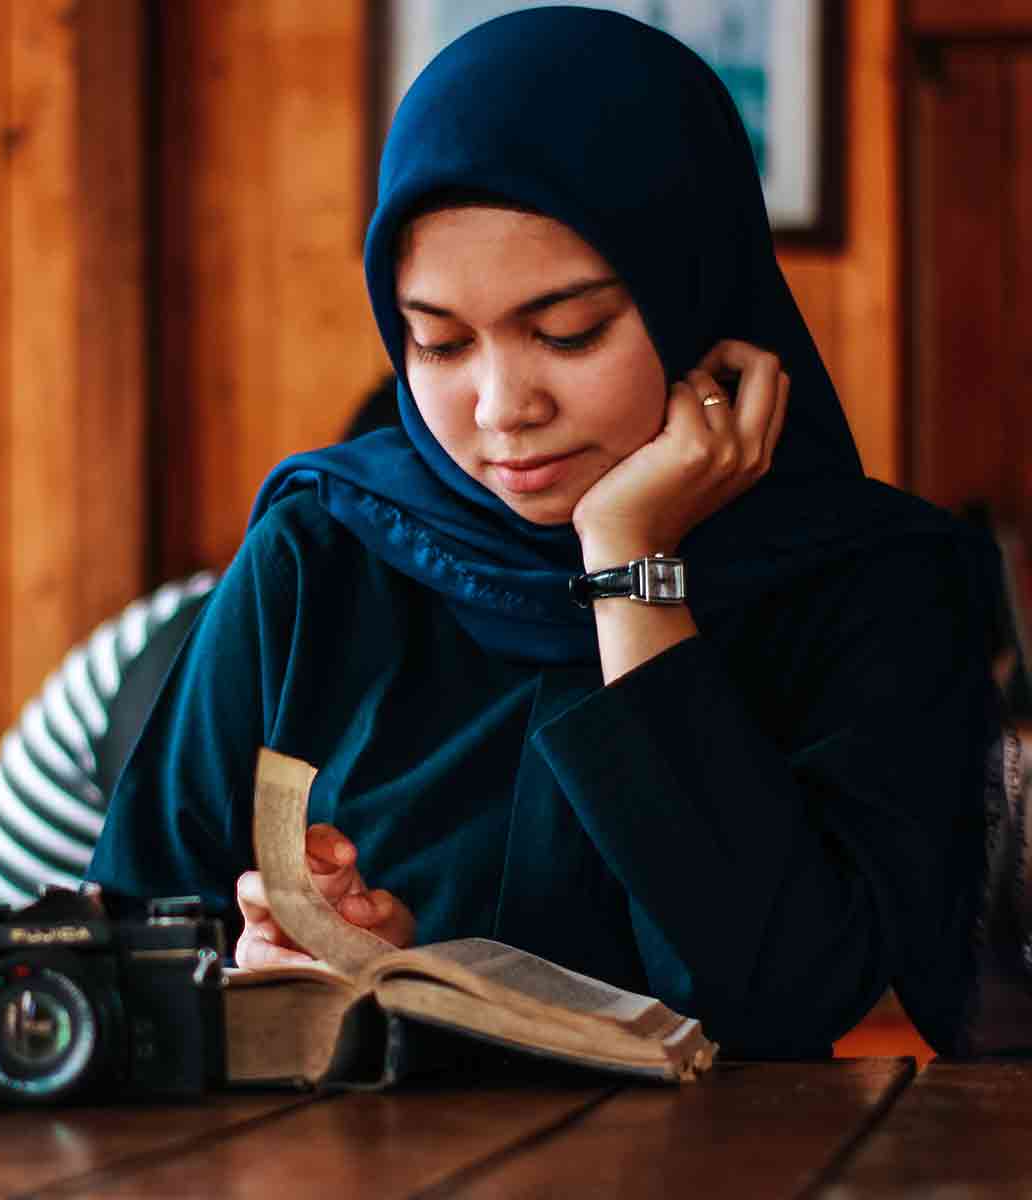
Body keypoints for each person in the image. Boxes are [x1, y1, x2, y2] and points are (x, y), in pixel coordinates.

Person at [86, 7, 1003, 1059]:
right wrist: (265, 980)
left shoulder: (874, 585)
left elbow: (772, 1001)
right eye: (436, 345)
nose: (498, 407)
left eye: (568, 333)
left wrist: (630, 575)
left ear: (695, 295)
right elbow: (130, 954)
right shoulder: (322, 554)